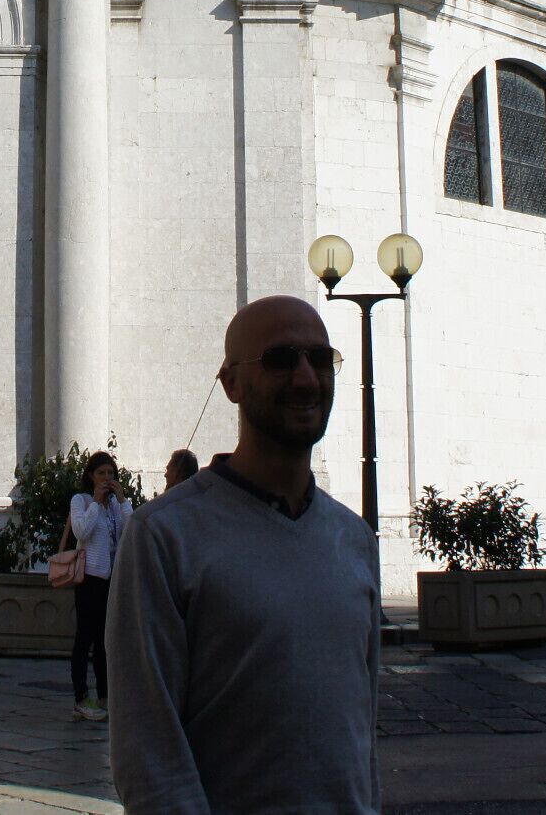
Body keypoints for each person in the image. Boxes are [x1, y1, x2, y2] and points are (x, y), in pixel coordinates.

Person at [109, 295, 380, 814]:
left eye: (320, 360)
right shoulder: (165, 536)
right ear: (230, 382)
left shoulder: (354, 540)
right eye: (280, 360)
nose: (305, 379)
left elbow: (360, 741)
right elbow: (149, 752)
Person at [66, 450, 134, 721]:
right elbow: (81, 531)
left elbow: (131, 531)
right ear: (91, 476)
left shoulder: (115, 506)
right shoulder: (81, 501)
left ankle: (105, 696)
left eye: (111, 473)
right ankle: (81, 697)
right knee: (84, 637)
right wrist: (95, 503)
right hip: (89, 578)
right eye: (101, 473)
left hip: (110, 578)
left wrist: (122, 499)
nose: (107, 478)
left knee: (105, 641)